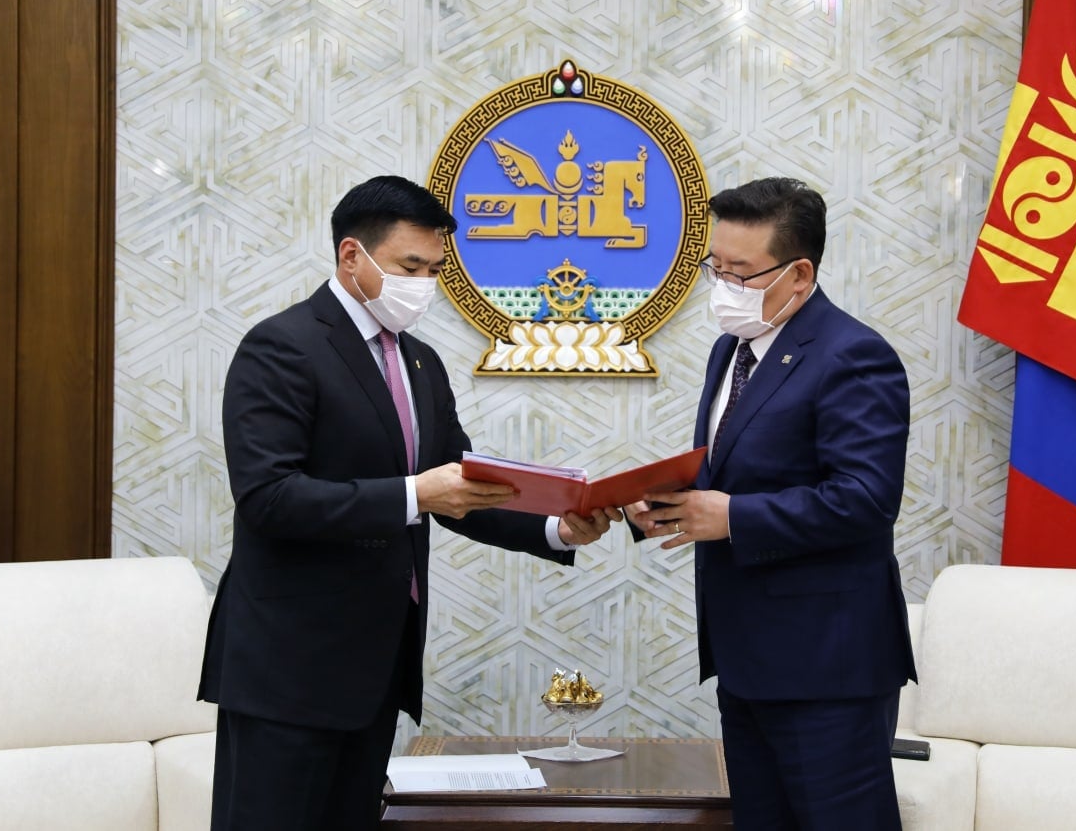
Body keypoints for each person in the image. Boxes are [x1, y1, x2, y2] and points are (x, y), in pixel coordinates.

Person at [198, 175, 620, 830]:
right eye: (411, 267)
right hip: (289, 666)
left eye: (435, 271)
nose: (425, 284)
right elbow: (269, 498)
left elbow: (463, 484)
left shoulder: (420, 361)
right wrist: (413, 493)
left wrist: (556, 527)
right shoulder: (281, 346)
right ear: (352, 256)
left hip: (377, 664)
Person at [630, 177, 915, 830]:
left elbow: (867, 498)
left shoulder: (854, 354)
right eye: (716, 267)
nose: (723, 286)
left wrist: (730, 516)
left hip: (827, 666)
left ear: (800, 274)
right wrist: (659, 504)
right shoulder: (731, 349)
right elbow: (732, 469)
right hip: (745, 657)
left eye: (741, 272)